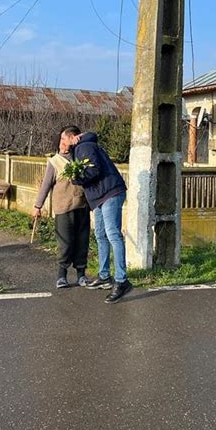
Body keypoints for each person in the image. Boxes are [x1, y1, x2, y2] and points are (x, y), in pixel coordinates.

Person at [60, 127, 133, 304]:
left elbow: (94, 170)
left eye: (63, 139)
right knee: (100, 235)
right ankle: (104, 275)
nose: (61, 143)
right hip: (100, 197)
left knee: (112, 235)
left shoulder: (84, 147)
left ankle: (122, 280)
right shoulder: (81, 147)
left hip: (109, 193)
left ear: (71, 138)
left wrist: (76, 179)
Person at [33, 126, 90, 289]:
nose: (63, 143)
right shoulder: (54, 162)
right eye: (62, 140)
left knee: (82, 242)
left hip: (82, 206)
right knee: (65, 243)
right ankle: (61, 275)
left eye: (66, 140)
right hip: (63, 208)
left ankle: (81, 275)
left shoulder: (81, 158)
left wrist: (80, 139)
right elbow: (45, 185)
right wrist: (38, 206)